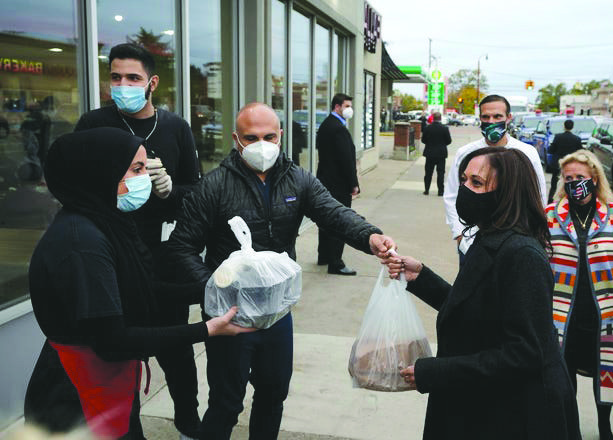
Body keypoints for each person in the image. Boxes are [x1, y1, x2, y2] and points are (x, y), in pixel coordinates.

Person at [164, 102, 395, 440]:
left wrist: (370, 236)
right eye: (251, 137)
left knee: (273, 394)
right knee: (226, 402)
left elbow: (332, 212)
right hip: (229, 317)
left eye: (269, 136)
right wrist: (213, 290)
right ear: (236, 139)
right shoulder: (214, 185)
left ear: (281, 136)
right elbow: (181, 247)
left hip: (276, 311)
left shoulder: (297, 179)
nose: (261, 144)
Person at [24, 128, 253, 439]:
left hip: (107, 384)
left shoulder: (105, 221)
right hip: (75, 399)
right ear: (100, 172)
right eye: (137, 169)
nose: (145, 178)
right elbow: (113, 339)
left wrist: (210, 288)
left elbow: (142, 287)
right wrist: (208, 329)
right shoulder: (82, 244)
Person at [384, 147, 581, 439]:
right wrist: (421, 278)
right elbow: (477, 310)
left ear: (506, 194)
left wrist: (436, 373)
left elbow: (525, 353)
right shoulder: (490, 237)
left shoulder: (522, 255)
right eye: (464, 179)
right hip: (487, 403)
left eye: (476, 183)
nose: (464, 190)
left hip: (515, 415)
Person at [74, 43, 203, 438]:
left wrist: (169, 191)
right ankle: (128, 430)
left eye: (132, 78)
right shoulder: (93, 124)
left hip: (164, 256)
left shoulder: (175, 128)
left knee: (176, 350)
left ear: (152, 82)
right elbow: (73, 186)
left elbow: (195, 193)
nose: (123, 85)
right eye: (115, 77)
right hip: (112, 254)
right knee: (120, 353)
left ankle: (187, 422)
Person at [546, 150, 613, 440]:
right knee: (566, 374)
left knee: (605, 377)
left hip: (607, 312)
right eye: (569, 178)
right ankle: (570, 428)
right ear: (563, 181)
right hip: (563, 312)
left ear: (594, 179)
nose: (575, 183)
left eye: (581, 177)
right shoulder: (550, 216)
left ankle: (604, 428)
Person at [444, 94, 547, 264]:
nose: (491, 121)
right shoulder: (466, 153)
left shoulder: (527, 153)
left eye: (497, 116)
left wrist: (536, 237)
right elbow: (452, 195)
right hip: (472, 242)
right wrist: (460, 236)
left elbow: (538, 197)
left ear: (508, 118)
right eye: (485, 117)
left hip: (516, 244)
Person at [315, 93, 361, 276]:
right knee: (340, 221)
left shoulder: (326, 125)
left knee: (326, 219)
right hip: (338, 184)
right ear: (337, 107)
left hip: (325, 180)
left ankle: (324, 255)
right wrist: (354, 184)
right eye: (347, 106)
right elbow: (346, 160)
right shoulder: (338, 129)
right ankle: (336, 263)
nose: (350, 109)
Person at [547, 119, 583, 204]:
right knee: (571, 183)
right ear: (572, 127)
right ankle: (570, 201)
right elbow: (580, 152)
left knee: (554, 184)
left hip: (558, 165)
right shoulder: (576, 139)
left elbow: (551, 150)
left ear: (564, 126)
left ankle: (551, 201)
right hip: (571, 166)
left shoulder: (558, 137)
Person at [421, 111, 452, 196]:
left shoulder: (428, 128)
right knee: (441, 173)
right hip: (441, 154)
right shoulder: (445, 128)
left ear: (433, 118)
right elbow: (449, 141)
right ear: (440, 118)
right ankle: (440, 191)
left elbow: (423, 140)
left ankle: (426, 189)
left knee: (428, 173)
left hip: (430, 153)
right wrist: (442, 144)